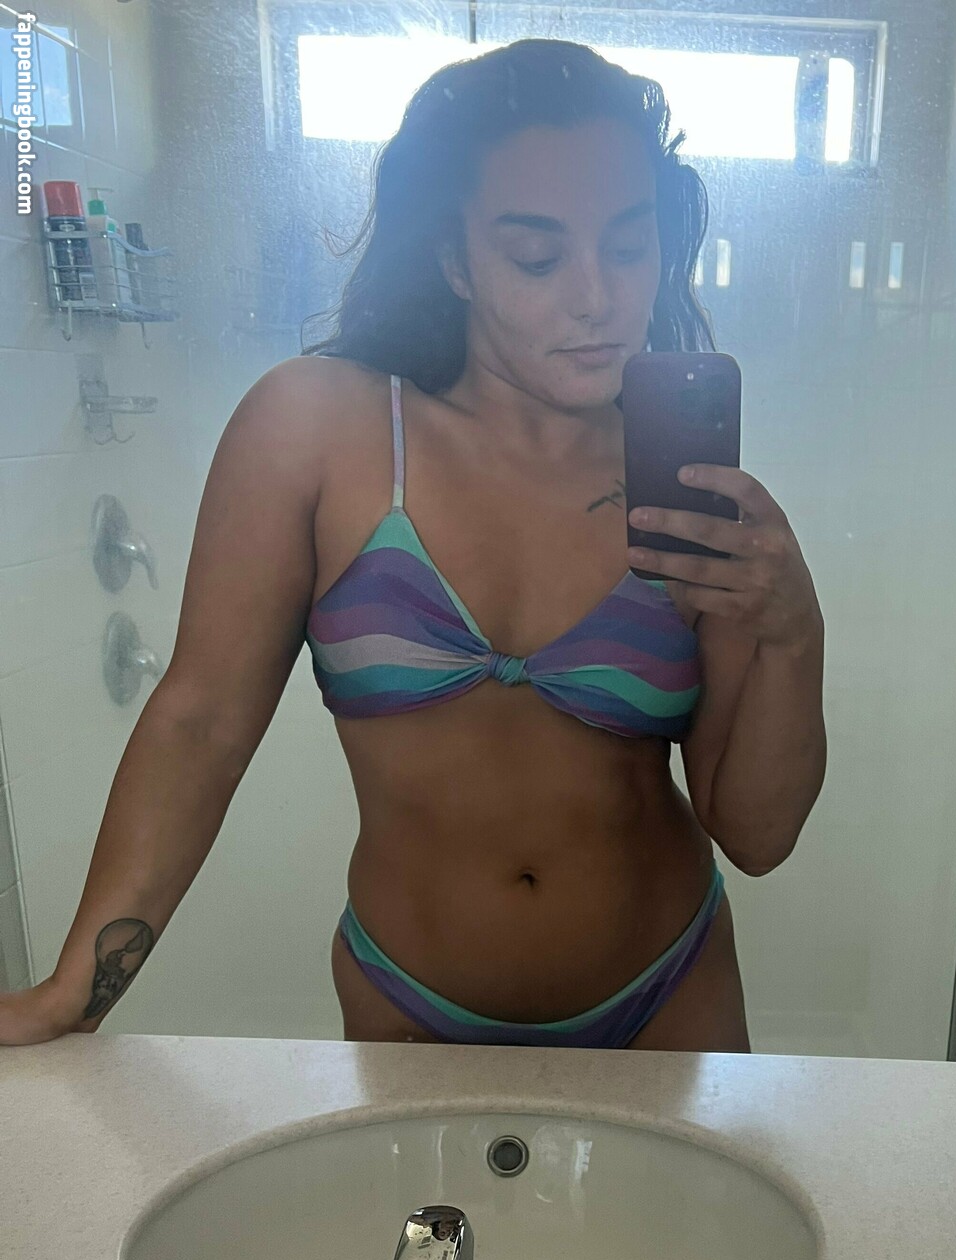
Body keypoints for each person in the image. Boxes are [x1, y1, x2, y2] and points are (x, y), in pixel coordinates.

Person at [0, 40, 825, 1050]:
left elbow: (759, 834)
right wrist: (73, 992)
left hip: (670, 993)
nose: (596, 296)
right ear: (454, 260)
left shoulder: (682, 478)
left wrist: (795, 634)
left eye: (627, 245)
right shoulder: (317, 432)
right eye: (536, 256)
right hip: (412, 1003)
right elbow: (201, 722)